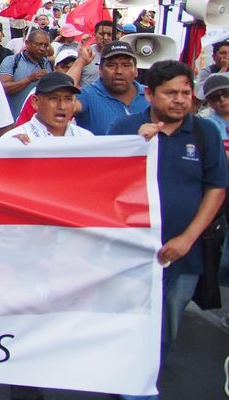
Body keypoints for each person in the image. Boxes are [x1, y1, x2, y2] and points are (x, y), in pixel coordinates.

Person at [107, 60, 228, 400]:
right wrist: (134, 146)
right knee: (128, 322)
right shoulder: (124, 128)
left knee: (167, 327)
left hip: (182, 255)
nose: (179, 100)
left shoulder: (205, 134)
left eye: (186, 93)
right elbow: (103, 182)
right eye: (170, 93)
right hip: (131, 251)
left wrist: (188, 238)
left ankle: (149, 380)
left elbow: (215, 188)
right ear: (149, 95)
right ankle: (127, 382)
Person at [74, 41, 148, 136]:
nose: (119, 71)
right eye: (111, 65)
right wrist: (81, 61)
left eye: (126, 65)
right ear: (100, 70)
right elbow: (60, 102)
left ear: (136, 71)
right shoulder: (87, 95)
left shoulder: (151, 96)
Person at [2, 72, 93, 143]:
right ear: (35, 102)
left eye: (68, 99)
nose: (62, 106)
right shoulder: (13, 140)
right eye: (54, 98)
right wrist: (10, 152)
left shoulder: (86, 139)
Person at [0, 29, 52, 119]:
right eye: (39, 44)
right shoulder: (11, 61)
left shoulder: (47, 63)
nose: (43, 48)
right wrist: (29, 79)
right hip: (13, 120)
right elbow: (3, 88)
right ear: (27, 43)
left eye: (46, 45)